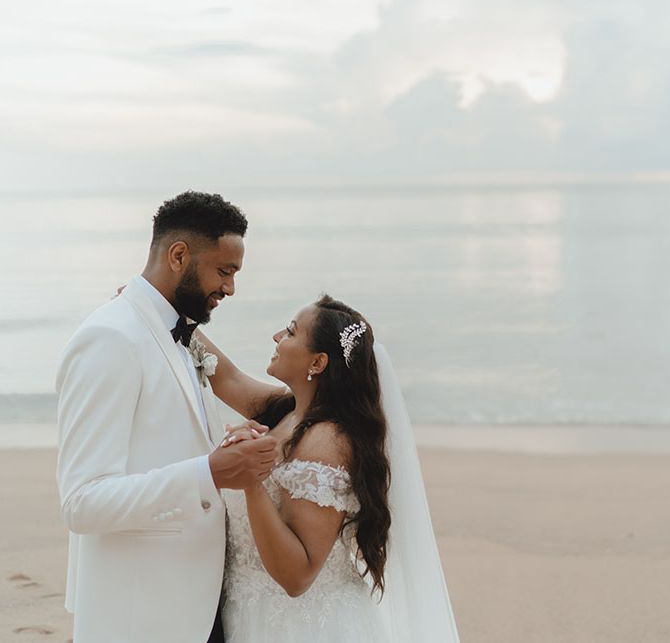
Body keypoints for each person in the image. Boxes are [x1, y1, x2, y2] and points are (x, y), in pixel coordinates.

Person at [55, 191, 282, 643]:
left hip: (196, 606)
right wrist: (208, 472)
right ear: (179, 255)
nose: (231, 289)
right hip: (142, 616)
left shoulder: (176, 333)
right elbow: (82, 503)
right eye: (225, 271)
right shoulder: (109, 339)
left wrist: (223, 450)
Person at [198, 295, 461, 642]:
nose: (276, 336)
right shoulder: (289, 412)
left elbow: (297, 575)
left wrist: (251, 480)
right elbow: (227, 378)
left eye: (291, 332)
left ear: (318, 362)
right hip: (249, 612)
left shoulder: (326, 442)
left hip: (298, 627)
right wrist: (160, 305)